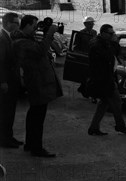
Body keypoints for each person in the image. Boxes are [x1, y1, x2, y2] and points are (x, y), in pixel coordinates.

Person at [12, 15, 63, 157]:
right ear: (27, 25)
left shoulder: (26, 39)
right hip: (36, 82)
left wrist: (46, 35)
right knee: (38, 117)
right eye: (34, 26)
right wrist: (50, 32)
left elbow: (44, 49)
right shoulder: (20, 42)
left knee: (34, 115)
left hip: (38, 81)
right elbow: (40, 51)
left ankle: (30, 144)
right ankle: (36, 148)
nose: (36, 29)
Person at [87, 24, 126, 136]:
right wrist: (113, 43)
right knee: (116, 101)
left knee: (104, 103)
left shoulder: (105, 43)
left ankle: (94, 127)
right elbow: (107, 56)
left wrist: (114, 43)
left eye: (113, 33)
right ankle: (120, 126)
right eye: (110, 33)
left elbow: (116, 53)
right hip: (102, 79)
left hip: (108, 76)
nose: (112, 35)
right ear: (103, 33)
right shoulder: (96, 44)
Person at [0, 12, 22, 148]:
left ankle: (9, 136)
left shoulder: (8, 37)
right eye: (16, 22)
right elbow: (1, 62)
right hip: (6, 82)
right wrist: (3, 82)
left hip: (11, 80)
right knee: (6, 112)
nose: (18, 25)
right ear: (8, 23)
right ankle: (4, 139)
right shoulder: (2, 39)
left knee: (10, 110)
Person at [75, 16, 98, 100]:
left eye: (92, 24)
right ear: (85, 24)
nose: (91, 25)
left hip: (92, 56)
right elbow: (77, 45)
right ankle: (85, 89)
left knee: (91, 75)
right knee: (84, 74)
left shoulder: (94, 32)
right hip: (83, 55)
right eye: (89, 24)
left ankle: (86, 90)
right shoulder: (80, 33)